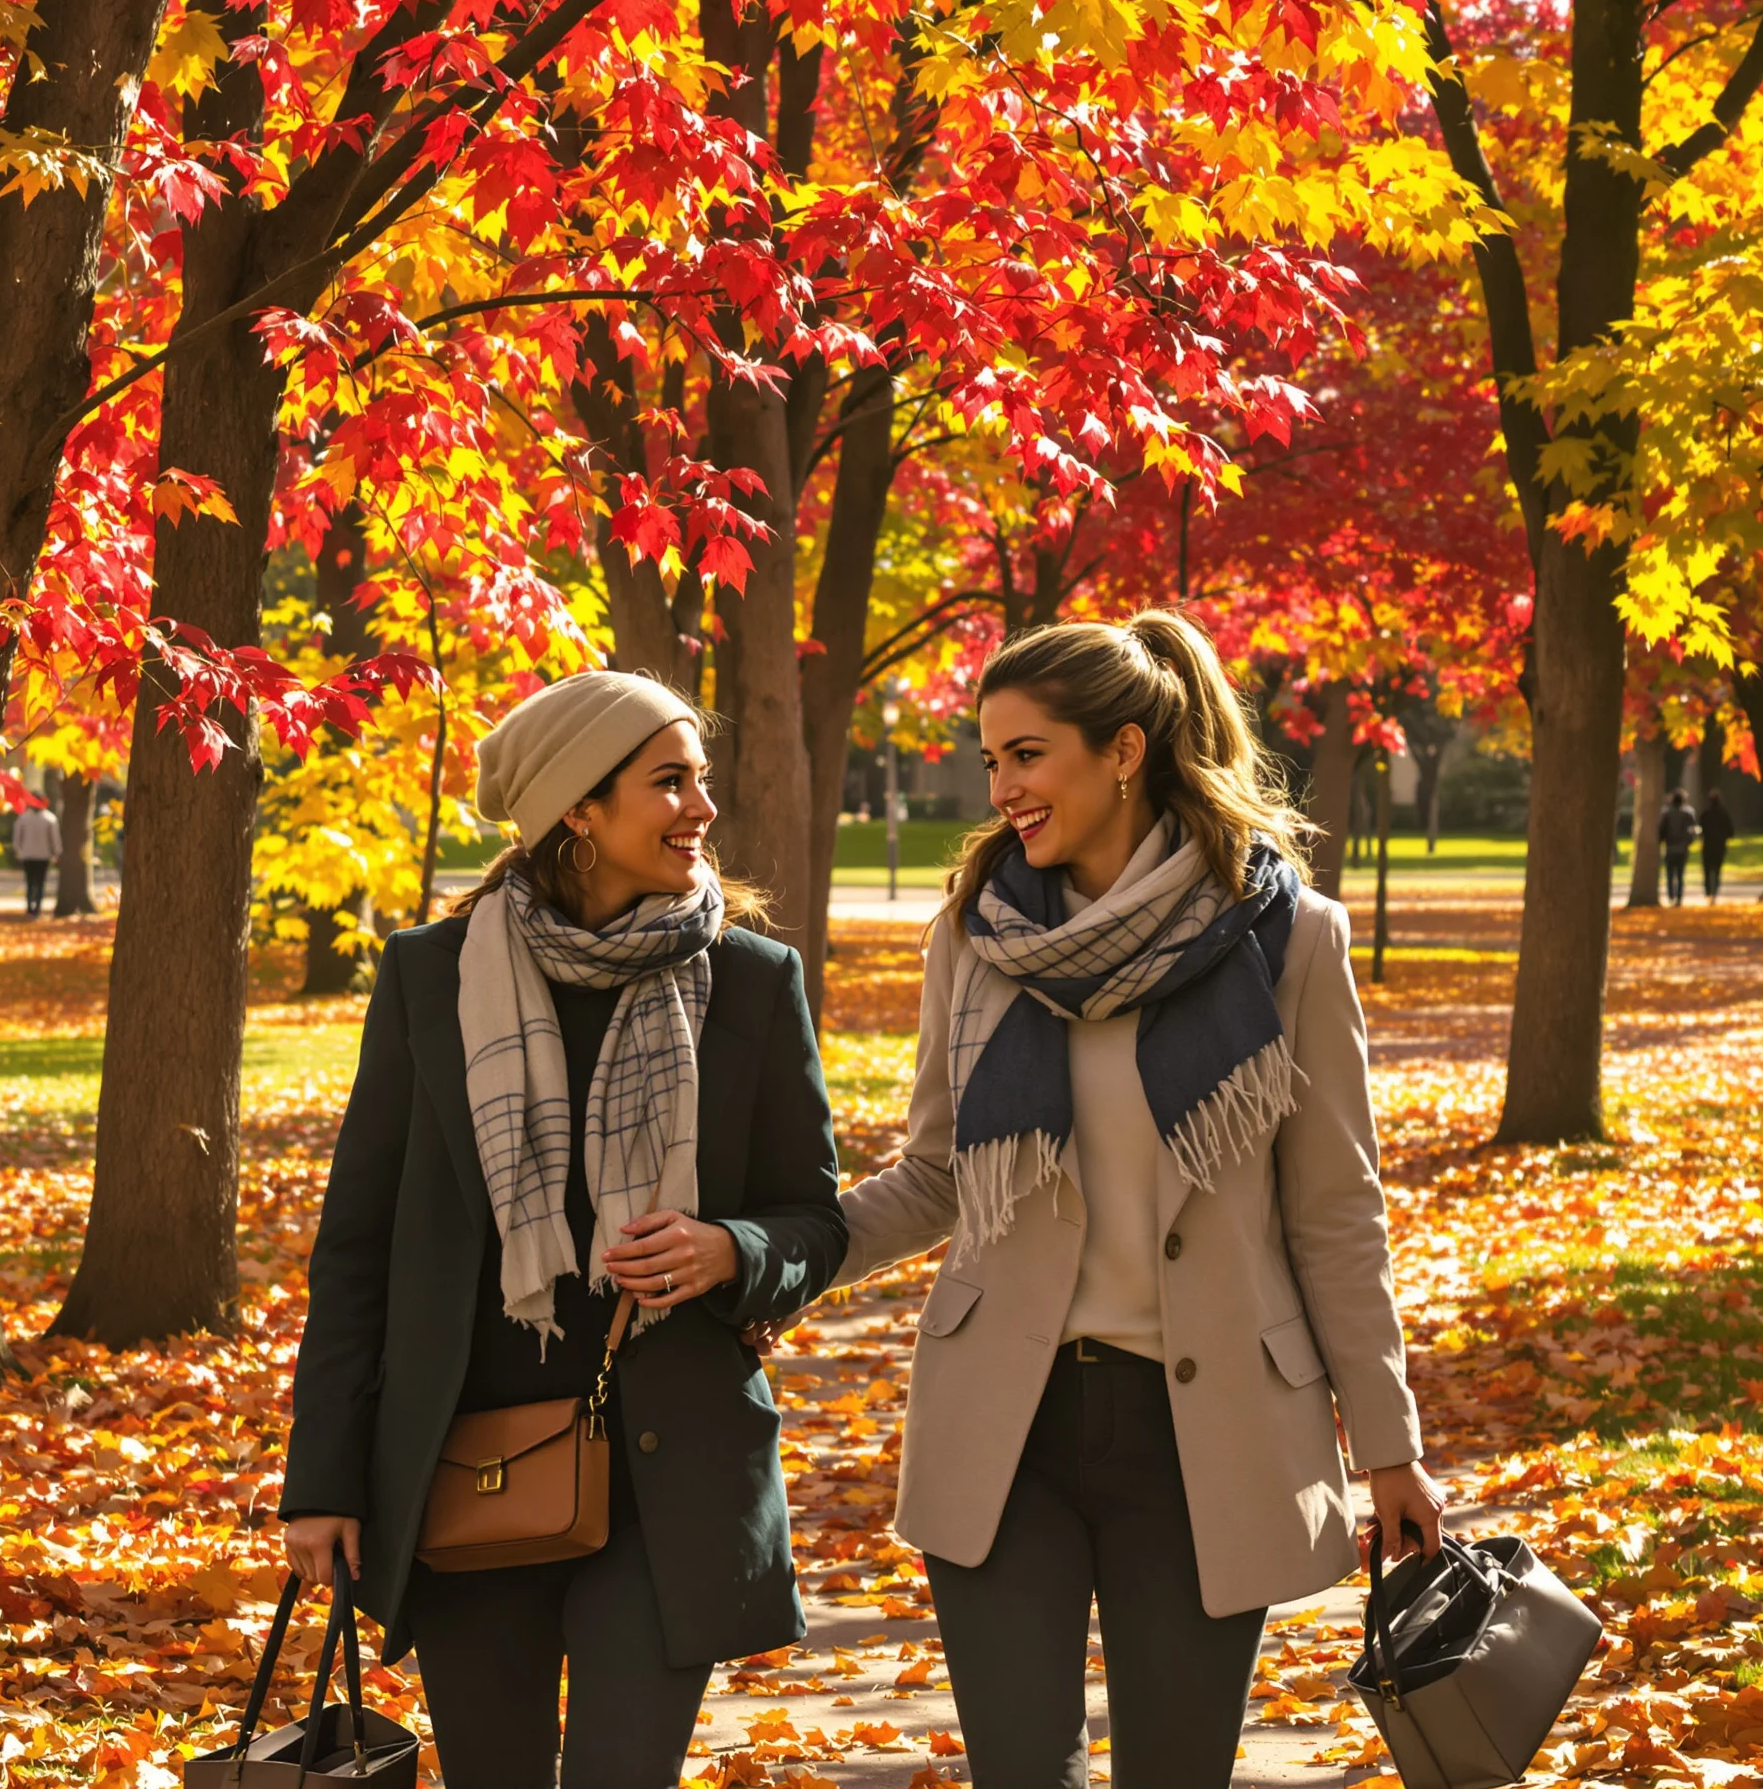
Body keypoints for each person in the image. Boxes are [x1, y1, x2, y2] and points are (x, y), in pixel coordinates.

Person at [791, 613, 1441, 1789]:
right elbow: (936, 1174)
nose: (1000, 788)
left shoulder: (1287, 940)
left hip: (1207, 1432)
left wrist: (1386, 1442)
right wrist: (769, 1258)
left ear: (1124, 748)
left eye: (1026, 754)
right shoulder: (975, 934)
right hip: (1006, 1423)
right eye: (990, 760)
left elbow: (1334, 1212)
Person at [279, 670, 846, 1789]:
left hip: (666, 1474)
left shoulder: (750, 980)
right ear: (577, 810)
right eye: (668, 780)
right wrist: (323, 1475)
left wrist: (731, 1249)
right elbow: (357, 1249)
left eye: (701, 778)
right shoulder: (429, 978)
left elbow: (811, 1216)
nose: (702, 807)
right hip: (463, 1468)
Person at [10, 798, 62, 918]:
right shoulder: (50, 818)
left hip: (29, 855)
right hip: (42, 856)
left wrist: (18, 851)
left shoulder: (23, 818)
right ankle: (36, 907)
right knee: (40, 882)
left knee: (30, 881)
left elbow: (17, 837)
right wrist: (56, 853)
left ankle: (30, 907)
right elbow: (55, 839)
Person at [1660, 788, 1699, 906]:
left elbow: (1662, 830)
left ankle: (1671, 895)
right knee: (1681, 874)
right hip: (1682, 848)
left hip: (1670, 847)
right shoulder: (1688, 813)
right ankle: (1679, 897)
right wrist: (1689, 841)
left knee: (1670, 874)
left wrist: (1661, 839)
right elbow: (1692, 830)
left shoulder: (1666, 813)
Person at [1700, 788, 1733, 903]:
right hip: (1719, 846)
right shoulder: (1724, 813)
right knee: (1717, 870)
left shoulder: (1706, 813)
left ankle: (1708, 892)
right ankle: (1715, 892)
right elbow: (1730, 831)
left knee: (1707, 870)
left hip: (1708, 845)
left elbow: (1701, 828)